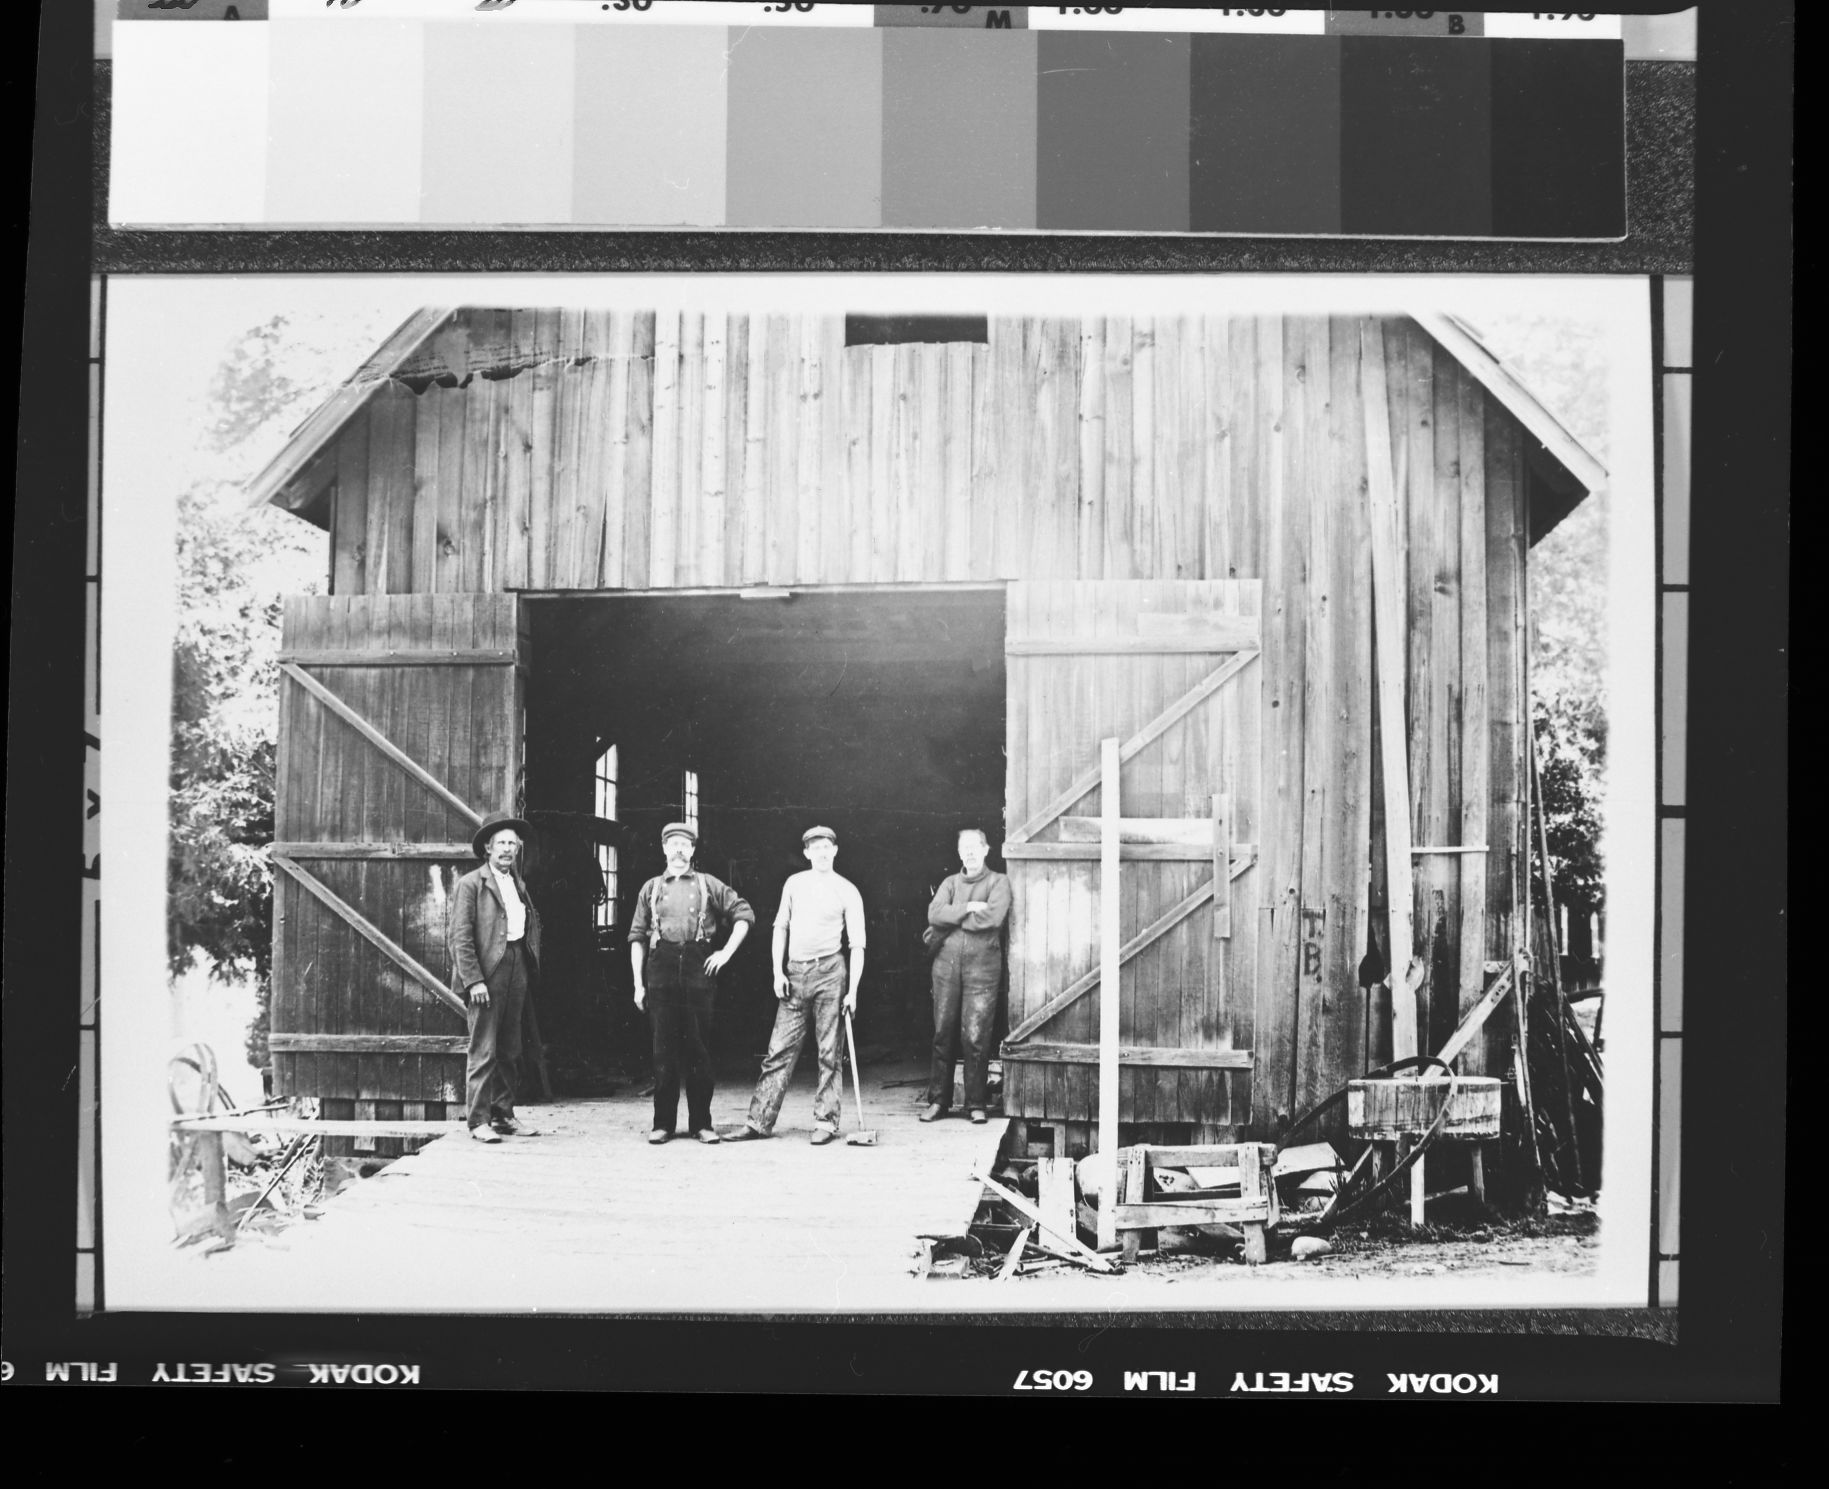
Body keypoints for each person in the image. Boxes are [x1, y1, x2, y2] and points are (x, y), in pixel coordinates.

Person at [723, 826, 866, 1146]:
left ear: (836, 850)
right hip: (795, 972)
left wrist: (853, 990)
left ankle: (826, 1122)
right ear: (806, 853)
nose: (822, 852)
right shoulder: (795, 884)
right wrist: (777, 972)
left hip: (831, 971)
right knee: (778, 1050)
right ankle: (758, 1121)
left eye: (827, 846)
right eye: (815, 847)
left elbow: (857, 945)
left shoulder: (847, 890)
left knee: (830, 1051)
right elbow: (780, 928)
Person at [628, 822, 754, 1145]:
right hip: (661, 968)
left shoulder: (708, 884)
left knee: (700, 1049)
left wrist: (725, 953)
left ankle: (702, 1123)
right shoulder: (652, 888)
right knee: (663, 1051)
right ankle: (663, 1124)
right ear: (664, 849)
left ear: (693, 851)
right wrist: (637, 985)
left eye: (686, 845)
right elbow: (637, 938)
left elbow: (744, 914)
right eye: (673, 844)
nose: (679, 850)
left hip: (699, 967)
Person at [449, 811, 544, 1144]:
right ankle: (478, 1121)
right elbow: (460, 936)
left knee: (509, 1047)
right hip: (488, 972)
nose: (507, 849)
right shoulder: (470, 884)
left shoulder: (517, 882)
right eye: (501, 843)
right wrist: (473, 980)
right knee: (484, 1047)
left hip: (516, 964)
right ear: (487, 848)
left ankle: (504, 1115)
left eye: (512, 844)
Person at [922, 828, 1012, 1125]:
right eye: (965, 847)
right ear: (959, 852)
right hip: (945, 967)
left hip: (982, 968)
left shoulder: (999, 882)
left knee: (976, 1036)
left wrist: (956, 915)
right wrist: (971, 907)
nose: (970, 852)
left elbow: (994, 917)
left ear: (986, 850)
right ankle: (939, 1101)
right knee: (942, 1033)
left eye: (976, 846)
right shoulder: (950, 883)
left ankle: (976, 1103)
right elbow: (934, 915)